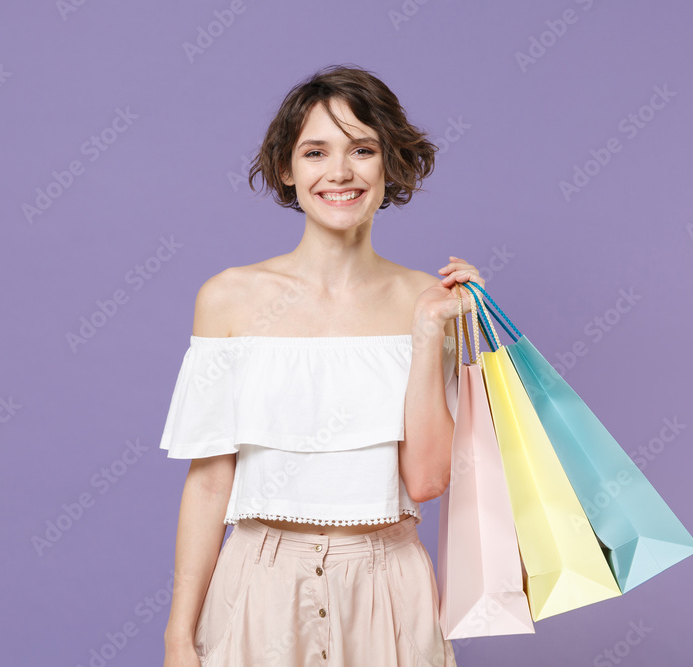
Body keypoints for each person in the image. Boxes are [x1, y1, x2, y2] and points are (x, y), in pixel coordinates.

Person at [159, 64, 485, 667]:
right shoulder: (228, 298)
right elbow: (209, 482)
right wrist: (179, 636)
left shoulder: (431, 303)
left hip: (390, 583)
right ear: (288, 168)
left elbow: (429, 481)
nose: (340, 172)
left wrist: (426, 332)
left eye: (363, 149)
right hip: (257, 584)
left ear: (390, 165)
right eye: (315, 152)